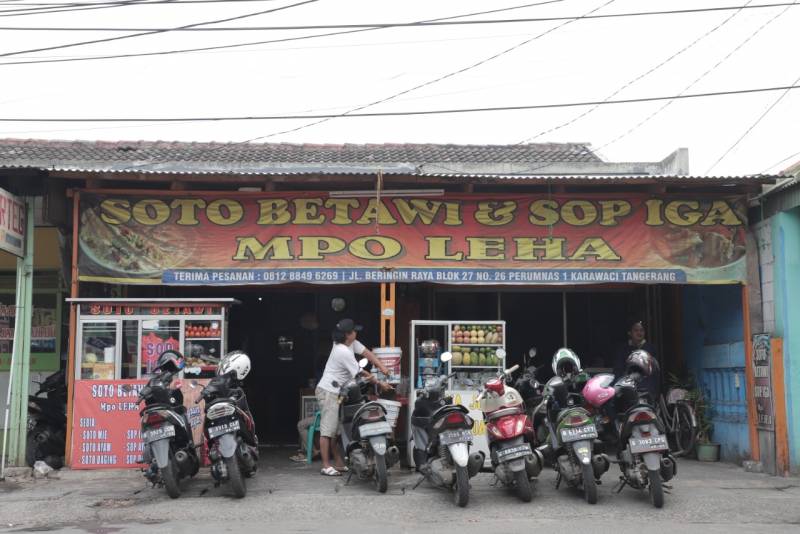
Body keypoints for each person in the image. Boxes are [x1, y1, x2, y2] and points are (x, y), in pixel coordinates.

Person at [315, 318, 391, 476]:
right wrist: (380, 383)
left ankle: (339, 463)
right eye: (354, 330)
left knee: (335, 430)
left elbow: (366, 353)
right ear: (347, 334)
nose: (356, 332)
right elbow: (360, 372)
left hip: (337, 392)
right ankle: (326, 466)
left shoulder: (350, 343)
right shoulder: (341, 351)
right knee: (327, 430)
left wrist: (382, 367)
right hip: (328, 391)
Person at [613, 319, 660, 401]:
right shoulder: (623, 349)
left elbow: (655, 373)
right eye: (636, 330)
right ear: (629, 333)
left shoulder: (651, 348)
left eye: (642, 330)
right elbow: (618, 370)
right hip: (628, 391)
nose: (639, 333)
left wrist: (654, 392)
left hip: (647, 392)